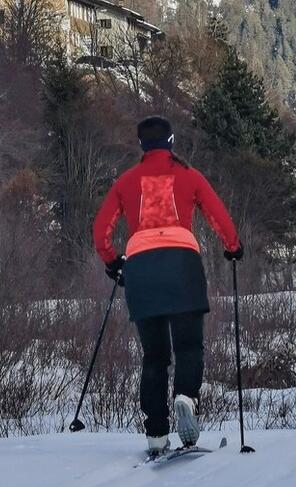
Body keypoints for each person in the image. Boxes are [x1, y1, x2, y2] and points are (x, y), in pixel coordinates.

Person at [93, 115, 243, 456]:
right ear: (172, 142)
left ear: (141, 146)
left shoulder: (126, 182)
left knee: (154, 356)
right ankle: (186, 397)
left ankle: (156, 436)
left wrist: (113, 261)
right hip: (182, 267)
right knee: (189, 346)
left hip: (142, 271)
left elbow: (101, 227)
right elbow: (218, 215)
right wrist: (232, 246)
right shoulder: (188, 175)